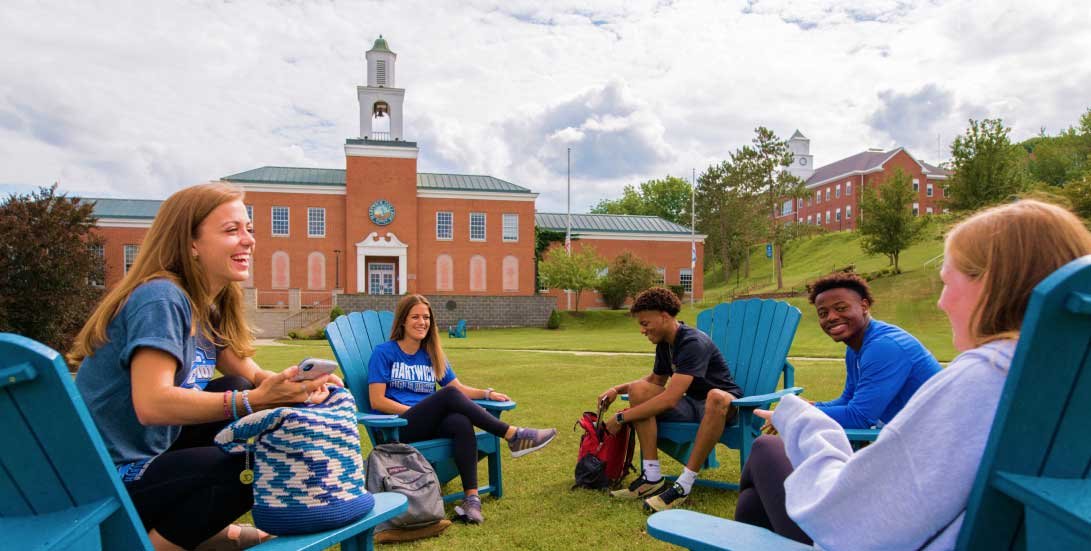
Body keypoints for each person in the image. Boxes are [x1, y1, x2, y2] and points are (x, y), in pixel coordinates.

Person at [735, 199, 1091, 549]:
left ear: (994, 283)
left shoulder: (983, 377)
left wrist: (798, 416)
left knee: (767, 449)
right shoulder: (1060, 381)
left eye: (947, 283)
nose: (941, 302)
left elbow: (853, 521)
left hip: (857, 534)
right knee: (755, 500)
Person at [69, 183, 337, 551]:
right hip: (105, 480)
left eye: (249, 229)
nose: (248, 240)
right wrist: (253, 400)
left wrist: (296, 383)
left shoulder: (204, 305)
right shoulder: (160, 298)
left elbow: (253, 375)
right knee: (252, 463)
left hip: (148, 457)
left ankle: (198, 535)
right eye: (232, 230)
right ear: (191, 243)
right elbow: (153, 404)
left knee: (236, 381)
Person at [367, 293, 557, 524]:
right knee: (446, 395)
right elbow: (377, 401)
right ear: (403, 321)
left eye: (426, 317)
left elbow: (458, 388)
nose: (422, 322)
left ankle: (472, 500)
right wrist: (413, 413)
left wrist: (487, 393)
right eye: (415, 317)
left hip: (428, 424)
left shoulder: (432, 354)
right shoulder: (384, 353)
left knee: (460, 421)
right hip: (398, 427)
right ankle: (512, 435)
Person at [598, 287, 743, 512]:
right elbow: (655, 380)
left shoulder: (692, 342)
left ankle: (683, 485)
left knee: (715, 396)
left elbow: (670, 400)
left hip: (726, 408)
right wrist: (617, 389)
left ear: (664, 317)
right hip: (693, 405)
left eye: (645, 323)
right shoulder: (666, 344)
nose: (642, 330)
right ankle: (652, 477)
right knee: (640, 390)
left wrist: (621, 417)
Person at [807, 272, 941, 429]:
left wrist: (795, 415)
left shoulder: (885, 346)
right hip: (915, 436)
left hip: (943, 439)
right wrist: (812, 406)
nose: (831, 317)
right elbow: (848, 399)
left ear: (864, 306)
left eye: (841, 308)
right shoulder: (855, 349)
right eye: (823, 313)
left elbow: (859, 417)